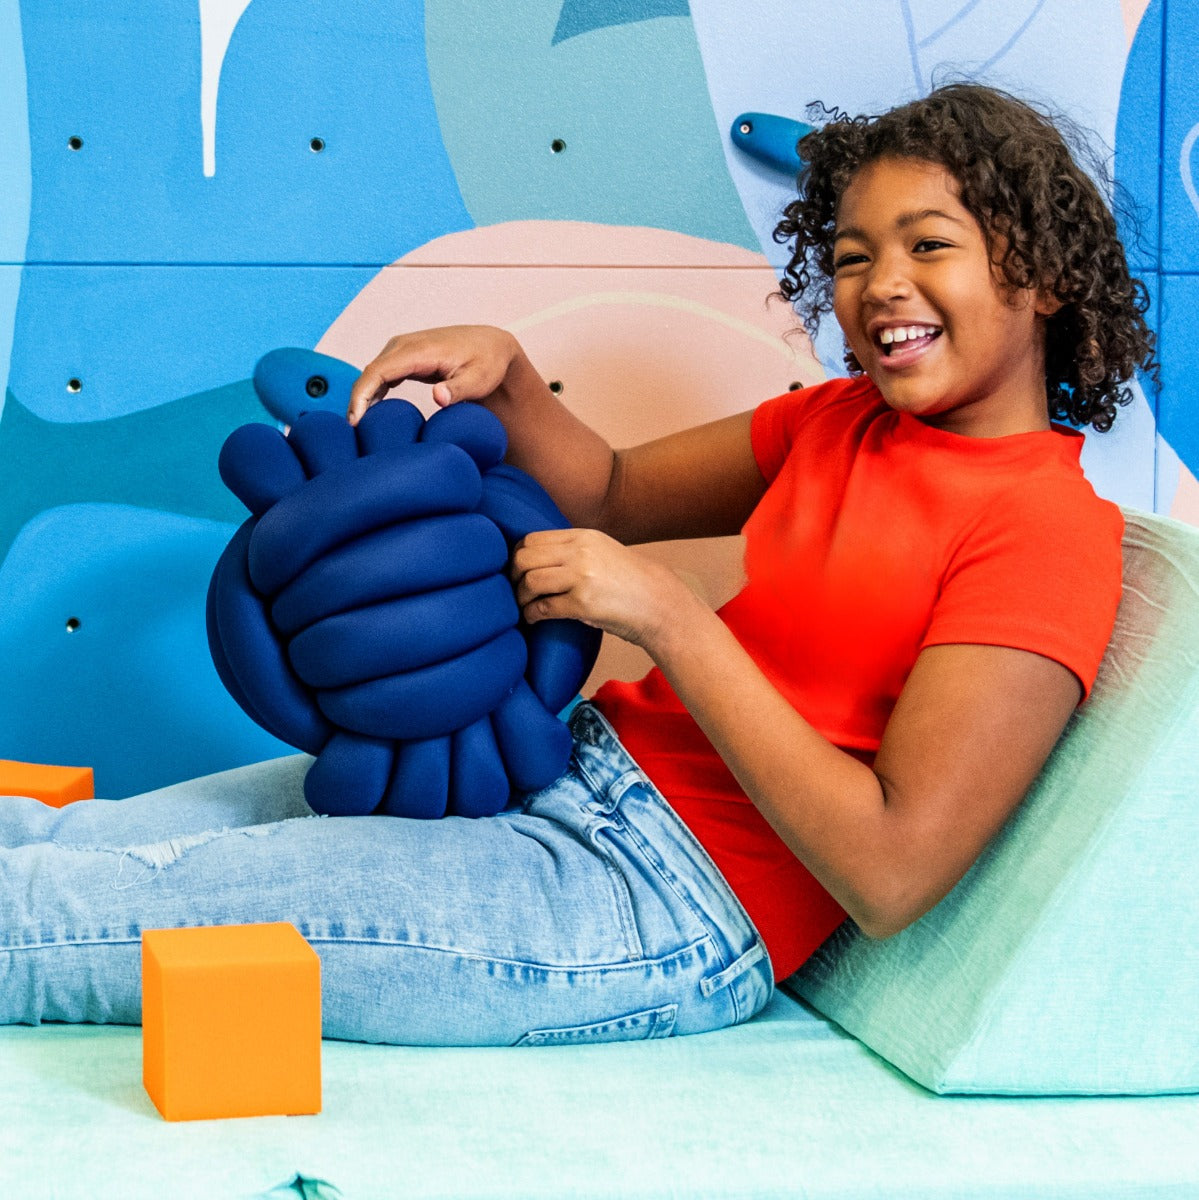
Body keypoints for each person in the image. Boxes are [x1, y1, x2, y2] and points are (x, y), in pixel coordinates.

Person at [1, 84, 1155, 1046]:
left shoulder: (1045, 533)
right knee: (67, 844)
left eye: (929, 245)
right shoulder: (838, 421)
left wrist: (672, 621)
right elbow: (607, 492)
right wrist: (508, 375)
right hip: (538, 772)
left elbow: (892, 871)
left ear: (1041, 273)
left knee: (67, 924)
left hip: (650, 903)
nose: (879, 284)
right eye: (851, 256)